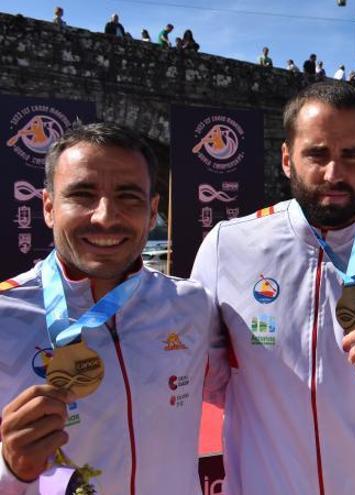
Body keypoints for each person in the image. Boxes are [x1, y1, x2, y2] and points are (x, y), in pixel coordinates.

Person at [191, 80, 355, 495]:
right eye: (317, 155)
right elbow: (208, 381)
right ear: (288, 159)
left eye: (351, 156)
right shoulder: (228, 245)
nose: (334, 173)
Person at [0, 123, 223, 494]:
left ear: (153, 212)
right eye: (83, 195)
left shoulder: (191, 304)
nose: (105, 216)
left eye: (129, 197)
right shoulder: (4, 314)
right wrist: (10, 467)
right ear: (49, 207)